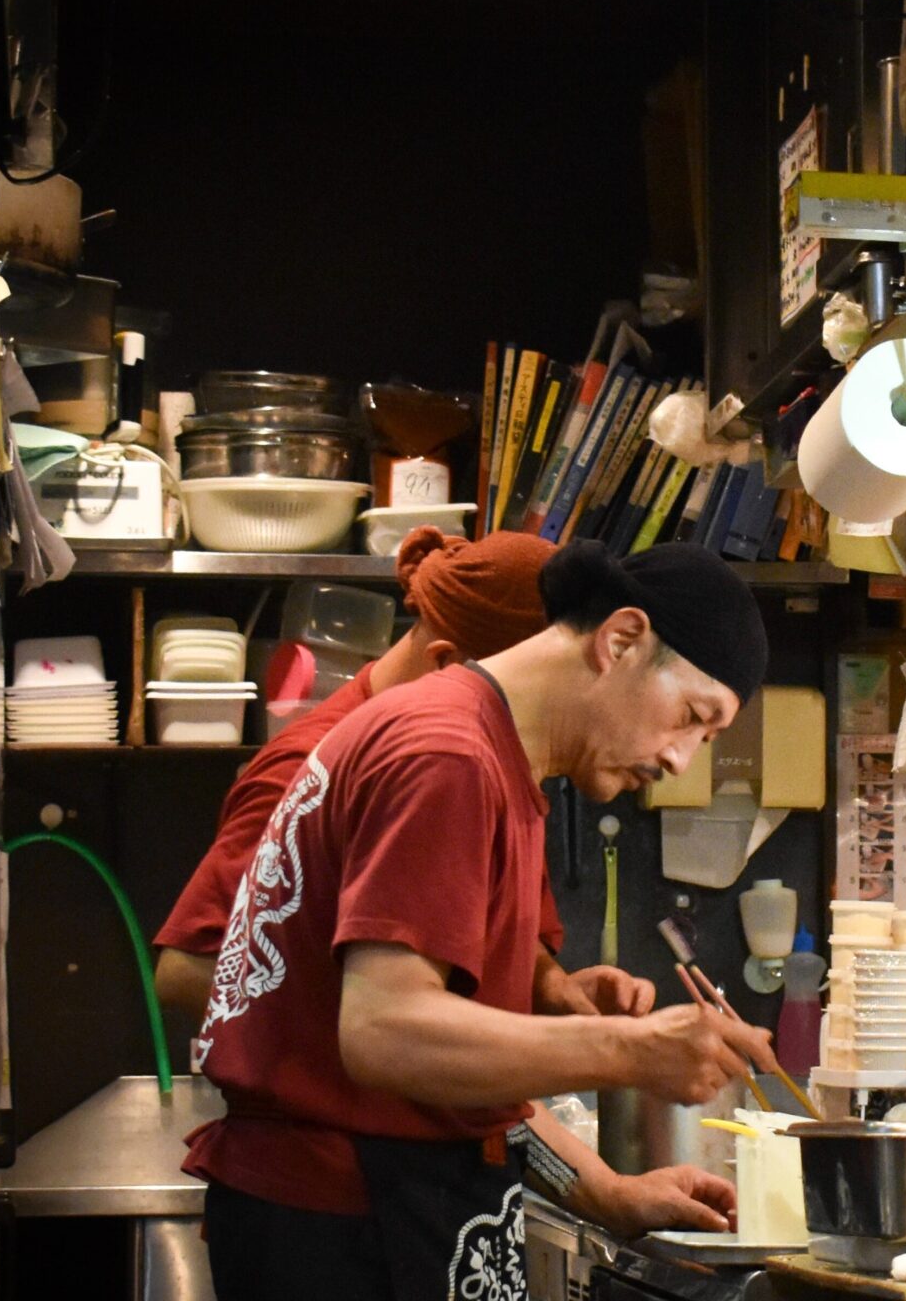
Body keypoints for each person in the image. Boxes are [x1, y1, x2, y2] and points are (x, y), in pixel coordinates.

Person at [186, 541, 777, 1301]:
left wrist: (605, 1192)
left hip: (371, 1208)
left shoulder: (484, 748)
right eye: (695, 719)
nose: (682, 760)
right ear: (621, 640)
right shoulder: (449, 756)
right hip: (352, 1227)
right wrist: (631, 1049)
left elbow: (443, 1061)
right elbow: (385, 1033)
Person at [153, 527, 634, 1025]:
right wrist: (385, 1023)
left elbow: (488, 927)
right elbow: (188, 971)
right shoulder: (310, 771)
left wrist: (550, 987)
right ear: (449, 666)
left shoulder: (499, 763)